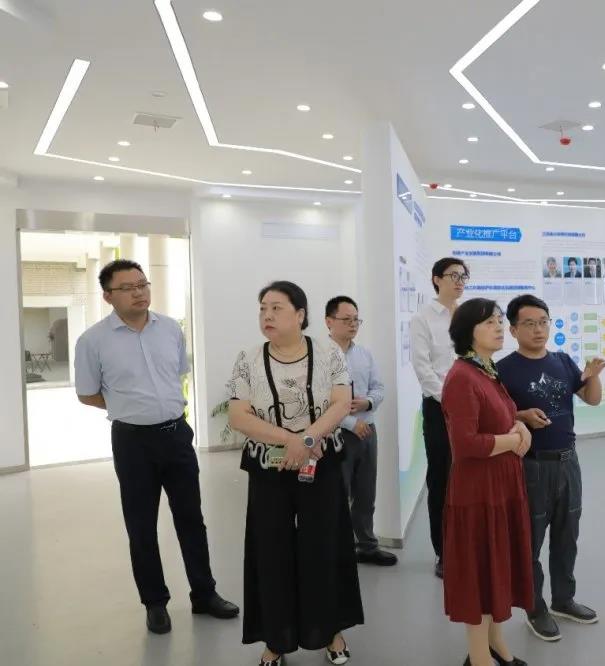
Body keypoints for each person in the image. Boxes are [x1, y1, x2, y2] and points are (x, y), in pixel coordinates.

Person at [75, 259, 238, 635]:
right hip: (133, 442)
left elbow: (176, 374)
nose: (139, 292)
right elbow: (87, 393)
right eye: (128, 287)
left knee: (191, 519)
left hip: (177, 435)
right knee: (142, 526)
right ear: (108, 296)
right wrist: (127, 406)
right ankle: (155, 603)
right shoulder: (93, 341)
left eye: (143, 284)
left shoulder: (169, 329)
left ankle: (204, 594)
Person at [228, 281, 364, 666]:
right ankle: (276, 638)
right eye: (262, 308)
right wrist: (291, 440)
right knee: (271, 551)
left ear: (300, 315)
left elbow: (341, 403)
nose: (267, 315)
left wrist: (306, 439)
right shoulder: (248, 358)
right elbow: (238, 416)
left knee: (325, 546)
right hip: (268, 468)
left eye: (276, 308)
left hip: (322, 464)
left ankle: (330, 631)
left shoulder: (329, 353)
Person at [497, 294, 605, 642]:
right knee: (531, 539)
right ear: (513, 330)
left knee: (567, 534)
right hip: (531, 466)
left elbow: (592, 399)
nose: (538, 329)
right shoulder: (504, 369)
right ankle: (535, 607)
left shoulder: (562, 360)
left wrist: (592, 376)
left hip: (568, 461)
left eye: (543, 322)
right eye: (529, 323)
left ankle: (563, 599)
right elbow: (494, 415)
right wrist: (521, 416)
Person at [441, 298, 533, 666]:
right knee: (480, 574)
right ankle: (479, 657)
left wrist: (519, 425)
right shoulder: (462, 377)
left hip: (501, 486)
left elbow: (499, 416)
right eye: (489, 322)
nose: (499, 327)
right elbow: (465, 444)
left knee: (497, 569)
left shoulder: (486, 370)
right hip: (478, 492)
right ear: (468, 332)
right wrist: (512, 440)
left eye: (498, 320)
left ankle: (495, 643)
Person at [325, 295, 397, 566]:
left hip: (367, 431)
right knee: (336, 494)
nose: (353, 324)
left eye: (356, 319)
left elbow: (379, 387)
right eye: (346, 319)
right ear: (329, 321)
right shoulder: (319, 357)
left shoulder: (364, 354)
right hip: (336, 433)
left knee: (366, 492)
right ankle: (338, 549)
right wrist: (350, 422)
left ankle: (367, 545)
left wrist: (368, 402)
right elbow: (319, 400)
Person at [410, 257, 469, 578]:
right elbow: (423, 367)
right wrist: (450, 400)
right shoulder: (423, 318)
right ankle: (444, 552)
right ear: (436, 279)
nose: (459, 281)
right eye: (453, 275)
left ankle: (468, 545)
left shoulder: (469, 316)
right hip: (440, 407)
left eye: (464, 276)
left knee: (470, 476)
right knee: (442, 479)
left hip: (471, 406)